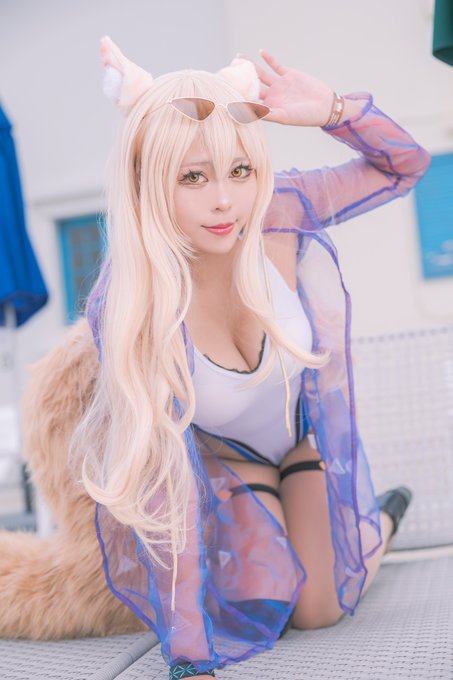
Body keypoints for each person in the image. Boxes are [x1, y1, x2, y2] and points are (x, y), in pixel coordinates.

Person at [71, 36, 431, 679]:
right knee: (269, 604)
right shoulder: (131, 303)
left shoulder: (279, 210)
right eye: (192, 177)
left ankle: (382, 520)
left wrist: (334, 109)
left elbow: (405, 167)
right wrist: (188, 655)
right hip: (225, 467)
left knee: (321, 609)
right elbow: (164, 482)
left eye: (239, 170)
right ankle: (318, 536)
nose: (224, 202)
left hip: (303, 442)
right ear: (146, 183)